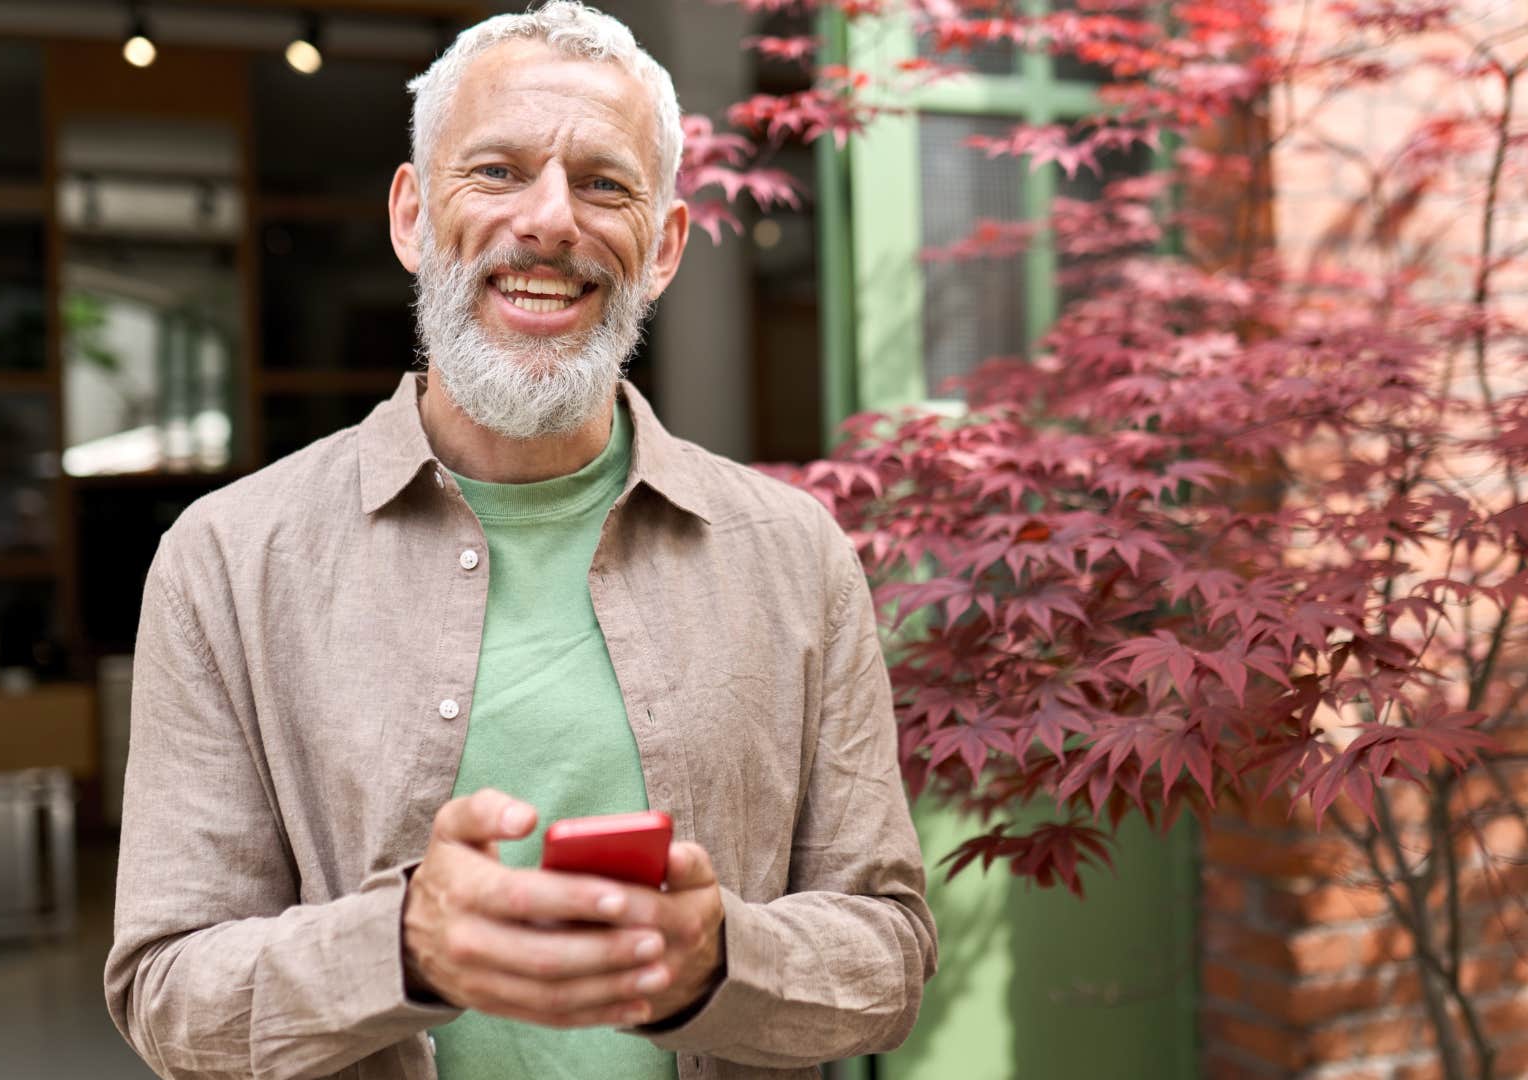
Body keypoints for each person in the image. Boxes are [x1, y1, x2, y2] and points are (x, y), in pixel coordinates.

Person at [103, 3, 936, 1079]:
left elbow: (890, 958)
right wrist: (399, 948)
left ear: (666, 247)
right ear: (411, 217)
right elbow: (167, 994)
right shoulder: (226, 560)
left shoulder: (793, 554)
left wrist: (723, 962)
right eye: (496, 171)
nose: (550, 222)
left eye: (604, 184)